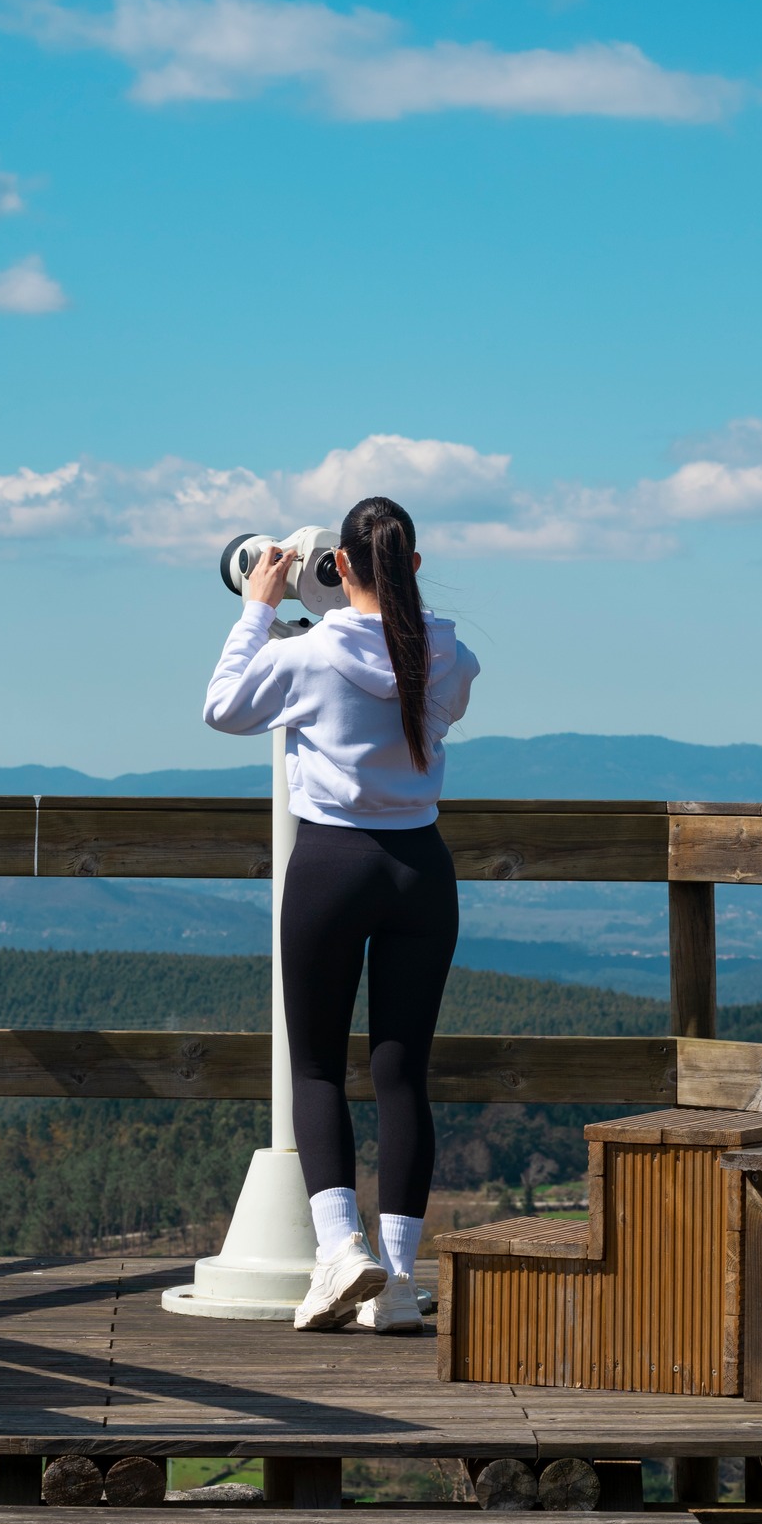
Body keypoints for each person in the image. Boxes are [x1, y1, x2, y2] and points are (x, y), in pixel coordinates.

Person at [203, 495, 480, 1333]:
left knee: (318, 1067)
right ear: (416, 567)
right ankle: (395, 1280)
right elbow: (421, 667)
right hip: (421, 870)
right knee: (403, 1076)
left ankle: (338, 1252)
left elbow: (224, 708)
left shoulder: (315, 655)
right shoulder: (451, 655)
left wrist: (260, 605)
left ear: (343, 566)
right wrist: (357, 598)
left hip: (332, 864)